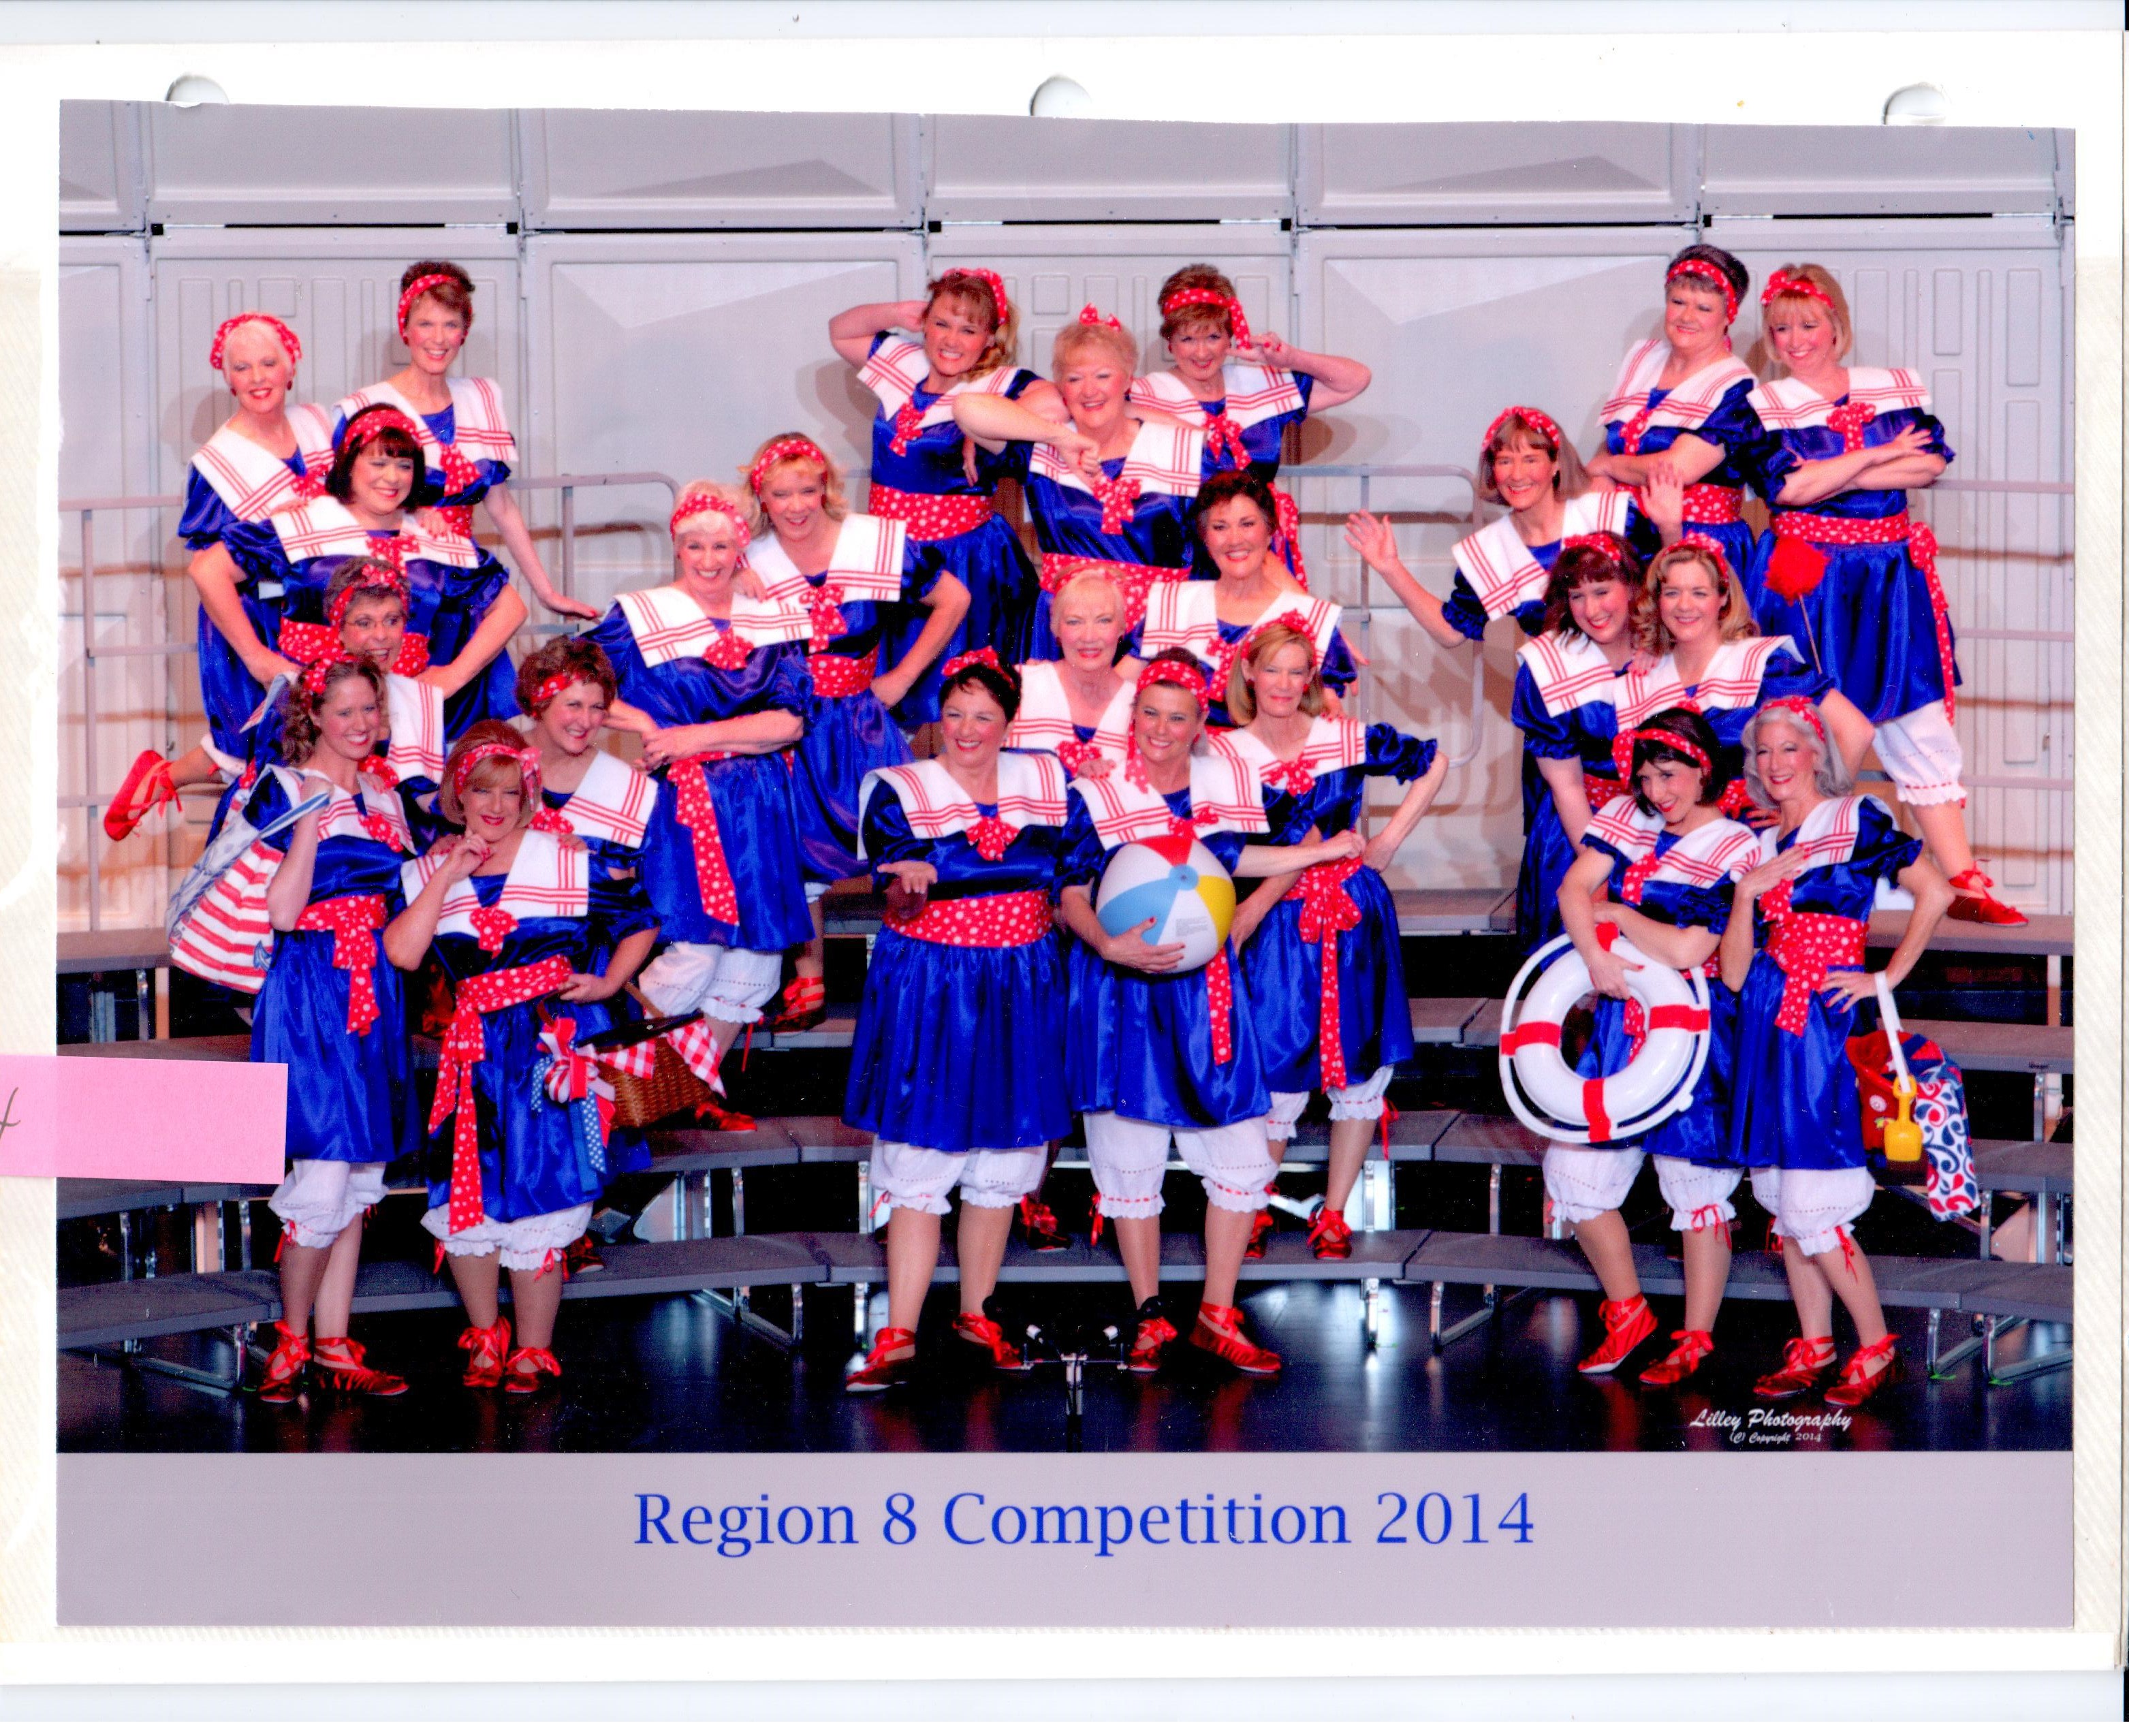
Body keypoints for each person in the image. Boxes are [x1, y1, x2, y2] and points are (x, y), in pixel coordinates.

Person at [1056, 659, 1365, 1375]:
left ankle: (1216, 1313)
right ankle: (1149, 1314)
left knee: (1240, 1152)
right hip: (1120, 990)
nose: (1161, 729)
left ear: (1201, 724)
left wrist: (1250, 913)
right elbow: (1070, 887)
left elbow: (1283, 846)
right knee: (1129, 1156)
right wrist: (1107, 942)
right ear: (1133, 717)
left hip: (1206, 993)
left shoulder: (1229, 782)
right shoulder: (1097, 790)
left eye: (1178, 716)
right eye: (1150, 713)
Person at [384, 725, 660, 1393]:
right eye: (483, 790)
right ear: (458, 794)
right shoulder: (426, 870)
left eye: (511, 792)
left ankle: (534, 1346)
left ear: (528, 794)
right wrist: (446, 874)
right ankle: (485, 1335)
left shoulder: (566, 857)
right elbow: (403, 952)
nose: (497, 805)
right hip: (476, 1057)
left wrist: (608, 982)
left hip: (546, 1049)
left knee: (544, 1190)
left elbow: (642, 917)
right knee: (468, 1197)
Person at [1747, 263, 2021, 924]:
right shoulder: (1764, 405)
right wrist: (1875, 456)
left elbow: (1928, 462)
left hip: (1891, 577)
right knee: (1809, 720)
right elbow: (1787, 488)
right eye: (1781, 328)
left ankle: (1962, 878)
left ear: (1836, 326)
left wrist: (1832, 472)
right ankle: (1796, 878)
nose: (1796, 340)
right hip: (1810, 579)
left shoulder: (1890, 387)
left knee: (1917, 714)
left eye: (1808, 324)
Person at [840, 653, 1075, 1389]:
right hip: (933, 984)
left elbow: (1075, 865)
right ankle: (901, 1329)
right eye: (954, 714)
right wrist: (913, 880)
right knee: (922, 1147)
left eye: (983, 716)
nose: (967, 729)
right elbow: (897, 877)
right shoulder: (899, 789)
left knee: (1003, 1151)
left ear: (1009, 722)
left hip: (1022, 980)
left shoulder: (1049, 780)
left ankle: (977, 1312)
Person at [1719, 696, 1951, 1408]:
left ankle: (1876, 1343)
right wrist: (1745, 896)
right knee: (1785, 1202)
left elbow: (1935, 890)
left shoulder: (1855, 820)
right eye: (1763, 751)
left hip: (1822, 1023)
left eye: (1788, 748)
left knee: (1814, 1202)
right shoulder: (1757, 842)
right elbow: (1734, 973)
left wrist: (1885, 976)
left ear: (1817, 752)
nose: (1775, 763)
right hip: (1765, 1017)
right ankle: (1816, 1344)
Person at [1547, 708, 1759, 1382]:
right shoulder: (1629, 818)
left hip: (1695, 1025)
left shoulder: (1734, 844)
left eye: (1669, 775)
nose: (1656, 791)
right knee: (1575, 1168)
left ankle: (1695, 1335)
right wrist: (1596, 957)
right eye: (1645, 777)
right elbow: (1572, 888)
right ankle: (1629, 1310)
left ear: (1703, 768)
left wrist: (1617, 914)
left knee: (1693, 1181)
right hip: (1623, 1017)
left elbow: (1691, 946)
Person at [1225, 618, 1446, 1258]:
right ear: (1249, 673)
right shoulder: (1225, 752)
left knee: (1358, 1068)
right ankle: (1252, 1204)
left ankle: (1336, 1212)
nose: (1284, 683)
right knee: (1276, 1065)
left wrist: (1389, 840)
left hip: (1352, 915)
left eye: (1298, 671)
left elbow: (1433, 761)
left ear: (1312, 679)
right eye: (1273, 669)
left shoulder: (1344, 736)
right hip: (1276, 921)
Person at [589, 482, 813, 1101]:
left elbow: (791, 721)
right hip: (686, 805)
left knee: (754, 964)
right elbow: (567, 682)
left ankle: (678, 1098)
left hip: (759, 804)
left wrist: (691, 736)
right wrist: (643, 723)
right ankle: (609, 1093)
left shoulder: (772, 617)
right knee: (694, 952)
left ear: (742, 548)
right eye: (694, 545)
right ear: (676, 546)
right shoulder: (640, 613)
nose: (708, 559)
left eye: (721, 545)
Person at [740, 432, 968, 1030]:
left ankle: (910, 973)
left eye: (807, 490)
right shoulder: (747, 559)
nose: (795, 505)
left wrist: (902, 676)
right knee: (794, 853)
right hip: (788, 730)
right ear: (761, 497)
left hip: (863, 723)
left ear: (826, 487)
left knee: (897, 846)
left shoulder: (873, 540)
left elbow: (954, 598)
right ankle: (809, 977)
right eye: (780, 494)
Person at [244, 655, 417, 1404]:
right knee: (322, 1170)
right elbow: (282, 911)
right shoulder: (282, 788)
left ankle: (335, 1340)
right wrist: (312, 820)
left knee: (359, 1172)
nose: (360, 724)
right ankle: (289, 1339)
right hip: (313, 985)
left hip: (375, 985)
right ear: (313, 714)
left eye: (370, 710)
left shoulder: (385, 792)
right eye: (344, 711)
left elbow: (403, 896)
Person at [104, 313, 334, 837]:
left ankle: (161, 777)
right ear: (227, 377)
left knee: (306, 742)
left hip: (315, 610)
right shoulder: (216, 463)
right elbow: (210, 568)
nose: (258, 377)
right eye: (242, 367)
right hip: (250, 619)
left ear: (292, 366)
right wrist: (256, 655)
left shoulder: (319, 426)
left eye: (268, 363)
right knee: (257, 750)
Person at [830, 270, 1058, 719]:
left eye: (969, 330)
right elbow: (841, 331)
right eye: (941, 324)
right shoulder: (906, 364)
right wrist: (899, 313)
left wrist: (984, 421)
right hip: (891, 552)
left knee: (961, 689)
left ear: (989, 339)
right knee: (882, 682)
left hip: (963, 556)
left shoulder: (996, 383)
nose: (952, 340)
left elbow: (1054, 403)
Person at [245, 403, 526, 742]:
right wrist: (256, 657)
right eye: (378, 463)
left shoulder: (432, 538)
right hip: (313, 721)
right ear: (349, 464)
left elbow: (511, 607)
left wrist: (453, 675)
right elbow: (211, 570)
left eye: (404, 465)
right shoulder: (307, 522)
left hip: (400, 718)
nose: (392, 477)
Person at [334, 260, 591, 623]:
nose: (438, 339)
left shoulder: (481, 398)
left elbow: (502, 508)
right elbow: (342, 499)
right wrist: (411, 511)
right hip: (391, 589)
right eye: (426, 324)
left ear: (464, 332)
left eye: (451, 325)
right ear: (405, 328)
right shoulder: (365, 406)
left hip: (461, 582)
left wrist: (546, 593)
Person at [952, 306, 1210, 659]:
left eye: (1103, 376)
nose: (1089, 390)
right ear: (1061, 388)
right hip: (1063, 630)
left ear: (1128, 378)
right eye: (1074, 379)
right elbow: (966, 407)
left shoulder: (1180, 449)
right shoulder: (1041, 449)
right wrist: (1061, 438)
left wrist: (1136, 411)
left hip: (1154, 631)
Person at [1343, 406, 1651, 652]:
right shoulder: (1490, 549)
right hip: (1557, 699)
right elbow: (1451, 632)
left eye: (1530, 460)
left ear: (1556, 464)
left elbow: (1658, 590)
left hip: (1636, 680)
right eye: (1505, 461)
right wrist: (1390, 568)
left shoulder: (1609, 515)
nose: (1517, 475)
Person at [1613, 535, 1871, 815]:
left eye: (1699, 593)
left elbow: (1857, 731)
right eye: (1672, 593)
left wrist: (1815, 813)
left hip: (1749, 831)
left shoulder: (1763, 664)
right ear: (1657, 600)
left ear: (1723, 598)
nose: (1685, 605)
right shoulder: (1642, 676)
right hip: (1664, 833)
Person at [1584, 245, 1771, 616]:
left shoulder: (1736, 385)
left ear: (1728, 316)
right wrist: (1601, 478)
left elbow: (1675, 470)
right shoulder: (1643, 358)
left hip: (1699, 541)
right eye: (1678, 302)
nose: (1687, 316)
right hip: (1626, 535)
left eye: (1704, 308)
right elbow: (1612, 444)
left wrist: (1607, 467)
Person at [1508, 537, 1647, 945]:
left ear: (1631, 586)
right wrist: (1594, 871)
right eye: (1577, 596)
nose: (1591, 610)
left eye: (1602, 591)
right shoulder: (1547, 665)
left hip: (1661, 821)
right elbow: (1566, 785)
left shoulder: (1666, 646)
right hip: (1580, 828)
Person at [1137, 469, 1355, 731]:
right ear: (1205, 537)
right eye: (1220, 527)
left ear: (1270, 531)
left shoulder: (1312, 618)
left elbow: (1325, 719)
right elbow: (1122, 691)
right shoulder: (1171, 604)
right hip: (1186, 755)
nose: (1235, 540)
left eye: (1247, 524)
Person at [1127, 263, 1372, 481]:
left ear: (1230, 337)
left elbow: (1356, 380)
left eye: (1213, 337)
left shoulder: (1257, 385)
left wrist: (1291, 358)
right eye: (1188, 339)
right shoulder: (1146, 394)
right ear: (1170, 342)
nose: (1201, 353)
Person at [1006, 565, 1142, 778]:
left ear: (1122, 628)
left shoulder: (1140, 706)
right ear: (1056, 628)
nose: (1089, 637)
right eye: (1074, 622)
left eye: (1104, 620)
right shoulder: (1019, 685)